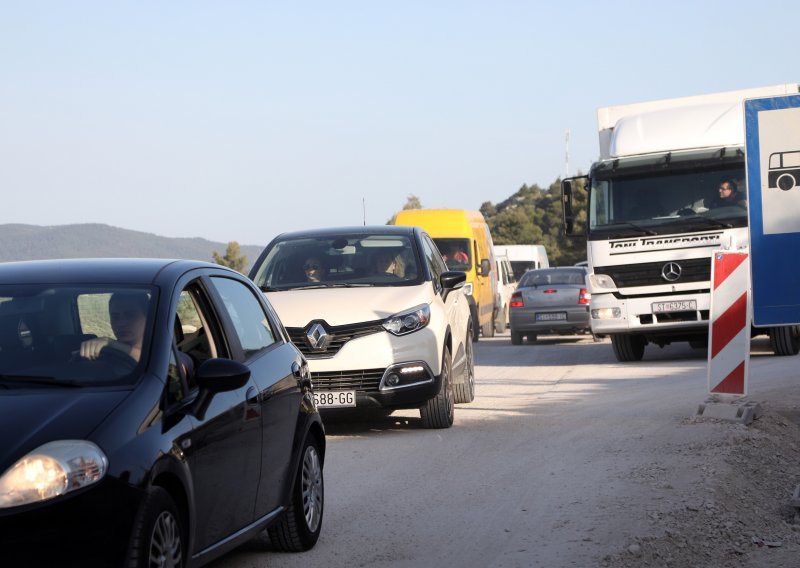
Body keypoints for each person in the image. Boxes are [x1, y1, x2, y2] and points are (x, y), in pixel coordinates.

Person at [80, 291, 149, 363]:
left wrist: (110, 343)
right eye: (115, 317)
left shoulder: (159, 350)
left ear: (147, 317)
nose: (121, 323)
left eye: (130, 316)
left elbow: (149, 361)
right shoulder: (103, 354)